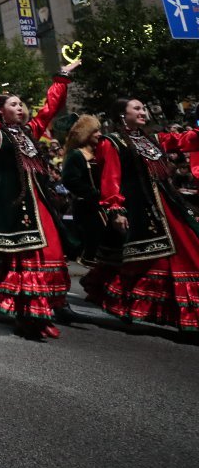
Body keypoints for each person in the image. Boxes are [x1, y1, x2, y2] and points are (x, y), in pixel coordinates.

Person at [0, 54, 81, 339]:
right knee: (23, 261)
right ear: (0, 112)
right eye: (13, 104)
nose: (20, 108)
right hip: (14, 208)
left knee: (51, 254)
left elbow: (49, 110)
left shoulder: (31, 132)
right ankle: (27, 315)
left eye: (21, 104)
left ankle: (42, 310)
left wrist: (61, 78)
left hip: (40, 203)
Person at [85, 98, 199, 332]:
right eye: (137, 108)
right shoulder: (112, 142)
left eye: (143, 108)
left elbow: (184, 140)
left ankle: (179, 315)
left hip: (168, 207)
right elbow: (110, 179)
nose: (143, 112)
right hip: (142, 210)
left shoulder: (153, 139)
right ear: (121, 115)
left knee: (186, 254)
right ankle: (140, 307)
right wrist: (115, 210)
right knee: (158, 262)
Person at [61, 114, 125, 272]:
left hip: (103, 205)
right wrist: (95, 194)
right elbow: (70, 180)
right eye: (95, 131)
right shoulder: (77, 155)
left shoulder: (101, 153)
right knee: (96, 246)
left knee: (111, 245)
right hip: (87, 209)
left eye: (99, 130)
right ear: (85, 134)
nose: (99, 134)